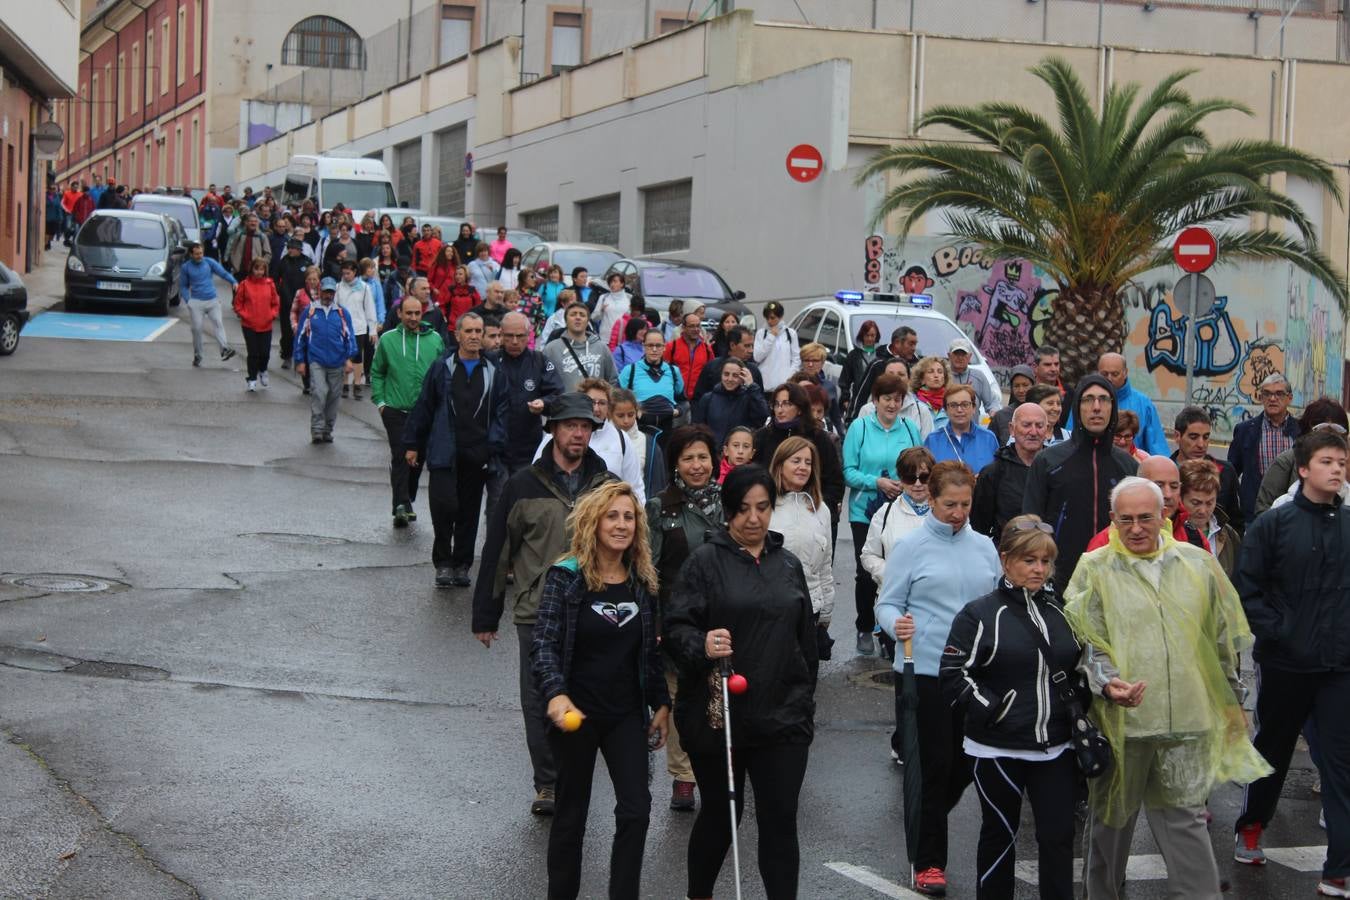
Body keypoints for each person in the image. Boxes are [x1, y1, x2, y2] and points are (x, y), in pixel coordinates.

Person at [1064, 477, 1270, 900]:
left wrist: (1234, 702)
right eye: (1126, 519)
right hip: (1125, 725)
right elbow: (1087, 642)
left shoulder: (1197, 563)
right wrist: (1107, 685)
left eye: (1145, 517)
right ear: (1112, 520)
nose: (1136, 528)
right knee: (1111, 828)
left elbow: (1220, 641)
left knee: (1186, 823)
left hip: (1187, 722)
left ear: (1164, 515)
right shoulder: (1095, 567)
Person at [664, 465, 819, 900]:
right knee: (722, 813)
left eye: (763, 507)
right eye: (743, 509)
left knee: (780, 819)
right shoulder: (705, 563)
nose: (754, 518)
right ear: (728, 511)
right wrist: (703, 642)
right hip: (720, 718)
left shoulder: (787, 564)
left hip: (782, 716)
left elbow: (805, 642)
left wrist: (804, 700)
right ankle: (700, 894)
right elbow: (675, 630)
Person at [471, 393, 617, 817]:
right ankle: (548, 784)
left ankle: (575, 776)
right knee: (538, 699)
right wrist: (486, 614)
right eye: (570, 425)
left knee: (586, 695)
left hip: (594, 609)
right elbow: (498, 549)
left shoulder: (604, 484)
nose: (578, 433)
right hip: (536, 610)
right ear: (552, 428)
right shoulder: (522, 485)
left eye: (586, 426)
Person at [532, 480, 670, 900]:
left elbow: (649, 652)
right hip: (576, 715)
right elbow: (544, 644)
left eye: (629, 516)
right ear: (594, 521)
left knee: (637, 811)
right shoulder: (566, 577)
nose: (621, 524)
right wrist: (556, 693)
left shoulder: (642, 582)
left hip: (624, 716)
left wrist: (660, 701)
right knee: (570, 817)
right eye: (612, 515)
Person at [940, 514, 1086, 900]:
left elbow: (1079, 666)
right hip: (996, 749)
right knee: (999, 837)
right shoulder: (979, 613)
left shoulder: (1061, 611)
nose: (1039, 569)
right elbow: (953, 673)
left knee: (1058, 838)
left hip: (1056, 748)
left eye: (1045, 561)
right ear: (1006, 561)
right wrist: (994, 710)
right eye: (1029, 560)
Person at [876, 461, 1001, 896]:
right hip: (925, 671)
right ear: (931, 498)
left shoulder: (985, 547)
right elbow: (886, 605)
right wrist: (897, 626)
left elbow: (998, 604)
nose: (958, 513)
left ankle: (926, 819)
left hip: (975, 674)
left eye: (965, 504)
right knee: (935, 766)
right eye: (949, 504)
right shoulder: (911, 547)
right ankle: (929, 861)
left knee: (968, 764)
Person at [1233, 430, 1350, 894]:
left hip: (1339, 667)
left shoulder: (1348, 524)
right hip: (1284, 663)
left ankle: (1339, 867)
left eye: (1342, 461)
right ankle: (1251, 826)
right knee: (1272, 751)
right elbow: (1248, 590)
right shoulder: (1273, 525)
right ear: (1303, 469)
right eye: (1327, 461)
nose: (1337, 469)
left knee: (1341, 764)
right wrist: (1280, 632)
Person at [646, 425, 721, 811]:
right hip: (678, 619)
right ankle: (683, 776)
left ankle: (719, 767)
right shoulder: (661, 506)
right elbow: (650, 569)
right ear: (675, 463)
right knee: (678, 697)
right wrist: (655, 624)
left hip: (722, 615)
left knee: (718, 693)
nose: (696, 466)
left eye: (703, 457)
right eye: (688, 458)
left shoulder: (731, 502)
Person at [404, 312, 509, 588]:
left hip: (477, 453)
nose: (474, 336)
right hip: (443, 450)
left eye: (479, 331)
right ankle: (443, 562)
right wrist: (413, 443)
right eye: (469, 331)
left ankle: (461, 564)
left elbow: (501, 411)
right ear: (457, 335)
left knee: (468, 511)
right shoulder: (442, 367)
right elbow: (424, 405)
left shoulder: (494, 371)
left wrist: (492, 446)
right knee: (444, 506)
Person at [1022, 374, 1138, 586]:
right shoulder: (1048, 461)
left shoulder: (1128, 466)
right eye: (1088, 399)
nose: (1096, 407)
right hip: (1059, 581)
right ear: (1077, 407)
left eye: (1103, 399)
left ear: (1112, 407)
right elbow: (1031, 523)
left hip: (1116, 581)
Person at [844, 374, 924, 659]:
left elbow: (920, 463)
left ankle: (890, 629)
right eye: (886, 398)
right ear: (875, 400)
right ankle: (865, 626)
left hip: (903, 510)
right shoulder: (860, 427)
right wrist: (875, 482)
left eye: (897, 399)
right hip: (865, 511)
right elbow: (848, 471)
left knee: (903, 570)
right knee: (867, 572)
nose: (892, 404)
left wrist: (907, 483)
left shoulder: (911, 428)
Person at [371, 293, 445, 528]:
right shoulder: (388, 339)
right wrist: (381, 402)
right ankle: (401, 504)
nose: (413, 317)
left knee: (417, 459)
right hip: (395, 409)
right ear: (399, 314)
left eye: (417, 313)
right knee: (401, 455)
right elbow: (377, 372)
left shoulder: (434, 340)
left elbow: (443, 375)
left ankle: (407, 497)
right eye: (408, 313)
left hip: (425, 412)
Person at [488, 311, 565, 520]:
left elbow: (558, 394)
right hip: (496, 448)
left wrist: (544, 403)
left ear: (529, 335)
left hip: (527, 447)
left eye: (520, 336)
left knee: (525, 503)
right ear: (501, 334)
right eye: (509, 336)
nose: (515, 341)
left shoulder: (539, 361)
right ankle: (495, 549)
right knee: (498, 502)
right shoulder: (490, 361)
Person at [770, 436, 836, 660]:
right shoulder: (765, 505)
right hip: (773, 607)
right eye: (796, 460)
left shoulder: (821, 509)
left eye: (808, 463)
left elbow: (826, 564)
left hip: (811, 607)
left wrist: (826, 609)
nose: (803, 467)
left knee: (806, 680)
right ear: (780, 464)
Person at [752, 382, 845, 531]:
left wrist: (818, 507)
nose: (780, 409)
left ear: (800, 408)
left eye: (786, 404)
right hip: (772, 514)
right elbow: (753, 475)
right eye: (776, 404)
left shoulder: (819, 438)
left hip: (811, 515)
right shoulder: (763, 437)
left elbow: (834, 482)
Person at [1254, 398, 1348, 516]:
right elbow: (1263, 509)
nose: (1330, 439)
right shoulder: (1287, 461)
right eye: (1323, 431)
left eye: (1337, 432)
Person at [1228, 373, 1300, 521]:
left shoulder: (1301, 431)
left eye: (1279, 393)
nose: (1272, 399)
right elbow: (1231, 472)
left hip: (1293, 512)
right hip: (1253, 514)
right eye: (1267, 393)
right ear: (1261, 397)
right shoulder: (1245, 430)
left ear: (1289, 398)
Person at [293, 277, 356, 443]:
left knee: (333, 397)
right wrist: (300, 360)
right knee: (319, 393)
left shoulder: (342, 313)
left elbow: (350, 338)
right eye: (325, 292)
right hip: (317, 361)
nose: (328, 295)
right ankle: (317, 430)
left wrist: (349, 358)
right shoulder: (310, 311)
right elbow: (300, 337)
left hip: (337, 362)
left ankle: (328, 430)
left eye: (331, 292)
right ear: (319, 291)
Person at [971, 401, 1047, 538]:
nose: (1033, 432)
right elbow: (979, 529)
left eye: (1039, 426)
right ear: (1012, 429)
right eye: (1026, 425)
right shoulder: (993, 473)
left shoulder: (1055, 469)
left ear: (1046, 430)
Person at [1086, 353, 1168, 456]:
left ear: (1125, 373)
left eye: (1115, 374)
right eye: (1104, 374)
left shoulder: (1144, 404)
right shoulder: (1085, 401)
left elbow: (1157, 449)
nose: (1109, 379)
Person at [178, 242, 238, 368]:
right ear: (191, 254)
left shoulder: (209, 262)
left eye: (201, 253)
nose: (200, 256)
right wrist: (188, 301)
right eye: (196, 254)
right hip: (196, 302)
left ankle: (224, 349)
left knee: (218, 323)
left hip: (212, 300)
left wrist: (233, 281)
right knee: (197, 329)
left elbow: (223, 273)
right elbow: (183, 286)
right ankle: (198, 355)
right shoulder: (186, 267)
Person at [616, 329, 685, 439]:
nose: (654, 349)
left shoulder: (673, 371)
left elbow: (682, 400)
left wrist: (678, 411)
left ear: (664, 347)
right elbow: (616, 399)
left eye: (658, 345)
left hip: (666, 430)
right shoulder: (630, 370)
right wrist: (634, 412)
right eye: (650, 345)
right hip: (638, 430)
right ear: (643, 346)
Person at [1180, 459, 1239, 580]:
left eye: (1209, 503)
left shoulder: (1230, 536)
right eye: (1195, 503)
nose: (1203, 510)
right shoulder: (1171, 533)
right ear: (1180, 498)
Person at [692, 357, 769, 448]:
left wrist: (752, 386)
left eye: (735, 376)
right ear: (721, 375)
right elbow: (698, 428)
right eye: (726, 374)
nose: (730, 379)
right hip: (714, 452)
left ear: (742, 377)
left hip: (739, 453)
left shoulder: (749, 398)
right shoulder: (708, 398)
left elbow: (762, 417)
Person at [542, 300, 617, 391]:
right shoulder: (551, 349)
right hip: (565, 404)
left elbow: (613, 381)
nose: (578, 317)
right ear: (566, 320)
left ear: (587, 321)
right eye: (573, 314)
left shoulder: (602, 348)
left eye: (582, 315)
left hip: (594, 404)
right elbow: (543, 382)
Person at [849, 325, 921, 419]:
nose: (914, 348)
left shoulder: (917, 366)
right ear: (897, 343)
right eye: (911, 344)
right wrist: (852, 421)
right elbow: (861, 395)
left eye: (915, 344)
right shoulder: (878, 364)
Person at [924, 383, 999, 473]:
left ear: (974, 408)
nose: (959, 410)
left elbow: (998, 474)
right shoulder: (933, 440)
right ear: (945, 410)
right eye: (953, 405)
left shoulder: (988, 438)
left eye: (965, 404)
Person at [231, 257, 280, 392]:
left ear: (265, 270)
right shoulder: (245, 284)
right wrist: (245, 315)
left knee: (265, 353)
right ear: (251, 269)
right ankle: (252, 378)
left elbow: (275, 303)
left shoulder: (270, 284)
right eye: (256, 269)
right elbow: (237, 304)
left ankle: (263, 370)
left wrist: (272, 314)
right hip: (249, 325)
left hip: (266, 324)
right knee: (253, 353)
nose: (259, 272)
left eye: (262, 269)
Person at [609, 388, 667, 498]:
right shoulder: (600, 441)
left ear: (637, 412)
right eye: (620, 416)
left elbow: (658, 485)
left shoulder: (649, 444)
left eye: (631, 415)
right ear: (610, 414)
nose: (626, 421)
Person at [334, 260, 379, 400]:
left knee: (358, 356)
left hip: (359, 327)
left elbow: (370, 309)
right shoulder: (338, 287)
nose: (346, 276)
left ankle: (357, 384)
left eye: (348, 273)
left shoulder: (364, 288)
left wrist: (372, 330)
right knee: (344, 355)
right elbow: (335, 307)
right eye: (344, 273)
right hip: (343, 327)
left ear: (355, 272)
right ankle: (345, 384)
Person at [692, 326, 764, 400]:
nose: (751, 350)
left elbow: (760, 401)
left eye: (752, 346)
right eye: (747, 346)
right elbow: (697, 399)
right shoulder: (712, 367)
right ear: (732, 345)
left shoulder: (754, 371)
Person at [664, 312, 717, 402]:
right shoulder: (671, 347)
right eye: (691, 326)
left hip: (698, 400)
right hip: (675, 399)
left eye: (698, 326)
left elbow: (712, 374)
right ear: (683, 328)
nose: (696, 329)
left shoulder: (707, 349)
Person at [275, 239, 311, 370]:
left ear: (299, 249)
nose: (290, 250)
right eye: (289, 247)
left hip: (302, 302)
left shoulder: (306, 262)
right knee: (286, 331)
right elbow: (275, 278)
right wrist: (279, 291)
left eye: (293, 248)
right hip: (286, 301)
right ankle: (286, 356)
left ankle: (301, 357)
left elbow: (312, 280)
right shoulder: (284, 261)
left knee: (302, 330)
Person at [797, 342, 844, 435]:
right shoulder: (794, 384)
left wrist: (842, 438)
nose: (810, 364)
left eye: (815, 361)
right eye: (806, 360)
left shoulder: (829, 387)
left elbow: (836, 417)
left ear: (822, 363)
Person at [947, 338, 1002, 417]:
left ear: (969, 356)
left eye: (963, 354)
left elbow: (992, 402)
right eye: (956, 354)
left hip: (972, 427)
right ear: (949, 356)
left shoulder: (978, 376)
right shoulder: (942, 376)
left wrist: (993, 412)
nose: (960, 357)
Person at [753, 302, 800, 389]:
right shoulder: (761, 333)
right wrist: (771, 337)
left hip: (785, 385)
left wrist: (789, 376)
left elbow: (796, 359)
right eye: (767, 318)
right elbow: (757, 357)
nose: (769, 321)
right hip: (765, 386)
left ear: (781, 317)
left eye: (772, 318)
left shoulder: (790, 333)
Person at [839, 319, 881, 413]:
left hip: (877, 399)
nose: (870, 339)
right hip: (857, 399)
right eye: (867, 335)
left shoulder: (881, 355)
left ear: (876, 336)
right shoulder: (853, 355)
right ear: (862, 335)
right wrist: (846, 399)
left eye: (872, 335)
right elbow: (845, 380)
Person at [592, 272, 632, 344]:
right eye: (610, 282)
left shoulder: (629, 298)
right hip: (606, 338)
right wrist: (601, 310)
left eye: (615, 281)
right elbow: (594, 318)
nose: (612, 284)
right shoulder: (603, 297)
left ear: (622, 284)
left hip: (623, 338)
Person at [912, 356, 949, 426]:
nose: (936, 375)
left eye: (940, 372)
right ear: (922, 379)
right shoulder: (912, 402)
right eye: (930, 372)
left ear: (945, 378)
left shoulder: (951, 401)